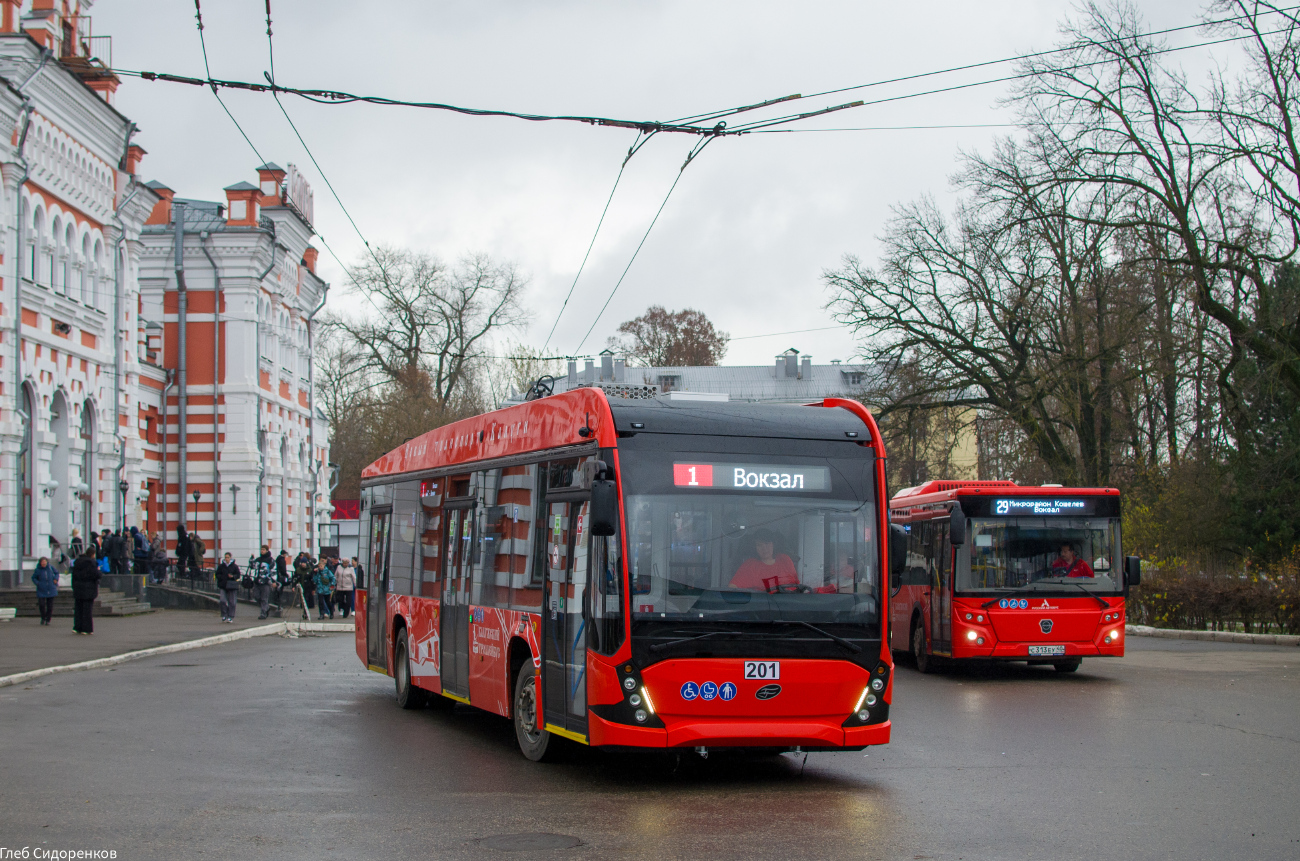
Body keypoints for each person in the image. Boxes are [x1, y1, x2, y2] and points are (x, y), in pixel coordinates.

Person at [729, 529, 801, 592]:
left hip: (790, 604)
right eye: (759, 545)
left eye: (767, 543)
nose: (764, 549)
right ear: (754, 548)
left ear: (773, 544)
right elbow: (732, 587)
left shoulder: (785, 559)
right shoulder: (751, 565)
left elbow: (796, 585)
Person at [70, 546, 102, 634]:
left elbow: (74, 576)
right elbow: (95, 575)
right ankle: (86, 628)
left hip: (78, 588)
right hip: (89, 589)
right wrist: (99, 571)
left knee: (78, 609)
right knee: (87, 610)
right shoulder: (92, 563)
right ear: (93, 554)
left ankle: (77, 627)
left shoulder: (77, 562)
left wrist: (74, 587)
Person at [31, 556, 59, 626]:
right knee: (42, 605)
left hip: (51, 589)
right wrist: (37, 583)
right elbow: (34, 577)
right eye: (42, 562)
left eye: (45, 562)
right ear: (40, 563)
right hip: (41, 589)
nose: (44, 563)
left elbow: (57, 573)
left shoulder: (51, 568)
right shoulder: (38, 570)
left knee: (50, 606)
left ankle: (48, 619)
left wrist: (55, 579)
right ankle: (43, 618)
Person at [215, 552, 241, 623]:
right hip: (223, 585)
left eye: (228, 557)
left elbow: (238, 574)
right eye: (225, 557)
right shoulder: (221, 566)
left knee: (232, 602)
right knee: (222, 600)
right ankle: (224, 614)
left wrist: (233, 576)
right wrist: (222, 577)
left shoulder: (234, 566)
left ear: (230, 558)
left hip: (232, 586)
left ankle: (230, 616)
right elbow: (217, 574)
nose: (226, 559)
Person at [253, 545, 275, 619]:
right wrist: (251, 559)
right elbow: (252, 566)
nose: (262, 551)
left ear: (267, 551)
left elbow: (273, 571)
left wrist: (273, 581)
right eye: (261, 549)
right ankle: (266, 608)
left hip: (266, 582)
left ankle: (263, 613)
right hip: (257, 581)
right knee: (256, 596)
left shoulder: (270, 560)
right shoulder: (258, 559)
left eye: (263, 550)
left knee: (264, 598)